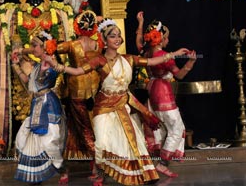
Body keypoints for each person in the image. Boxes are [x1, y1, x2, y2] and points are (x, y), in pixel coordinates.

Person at [44, 18, 192, 185]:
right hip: (103, 108)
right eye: (112, 36)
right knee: (101, 143)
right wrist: (57, 66)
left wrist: (173, 54)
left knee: (129, 141)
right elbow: (78, 71)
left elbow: (151, 61)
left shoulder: (128, 59)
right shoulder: (98, 60)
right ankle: (100, 172)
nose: (117, 39)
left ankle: (130, 173)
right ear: (105, 41)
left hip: (121, 106)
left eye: (118, 36)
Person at [136, 16, 197, 178]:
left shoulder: (146, 51)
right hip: (163, 94)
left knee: (162, 130)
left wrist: (140, 23)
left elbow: (138, 41)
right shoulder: (165, 56)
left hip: (152, 94)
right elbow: (180, 75)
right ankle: (162, 164)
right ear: (161, 38)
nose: (168, 40)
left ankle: (156, 164)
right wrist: (190, 63)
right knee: (176, 129)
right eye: (166, 37)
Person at [12, 31, 68, 185]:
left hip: (48, 105)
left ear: (44, 48)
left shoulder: (52, 64)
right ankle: (35, 177)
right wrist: (15, 64)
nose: (32, 48)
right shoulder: (37, 66)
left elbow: (48, 79)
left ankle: (62, 168)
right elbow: (28, 81)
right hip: (37, 106)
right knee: (25, 140)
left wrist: (44, 71)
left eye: (35, 45)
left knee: (49, 143)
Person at [56, 10, 103, 179]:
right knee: (88, 125)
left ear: (77, 26)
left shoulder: (72, 45)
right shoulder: (97, 45)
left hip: (76, 91)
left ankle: (97, 164)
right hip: (94, 89)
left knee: (83, 128)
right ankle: (83, 163)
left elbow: (54, 48)